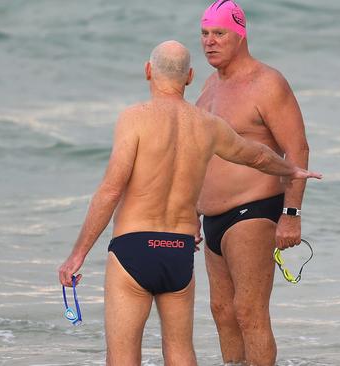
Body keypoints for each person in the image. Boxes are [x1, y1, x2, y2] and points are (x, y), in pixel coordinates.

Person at [57, 40, 321, 366]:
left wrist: (76, 256)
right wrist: (293, 169)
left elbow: (110, 191)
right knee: (181, 352)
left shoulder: (134, 118)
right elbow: (256, 156)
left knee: (123, 357)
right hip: (178, 251)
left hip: (133, 248)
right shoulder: (208, 125)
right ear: (190, 77)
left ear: (148, 71)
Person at [197, 1, 311, 364]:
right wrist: (187, 212)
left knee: (249, 313)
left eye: (219, 34)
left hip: (254, 210)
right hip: (211, 217)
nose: (209, 42)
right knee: (222, 311)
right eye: (204, 34)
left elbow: (297, 149)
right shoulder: (210, 85)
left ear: (240, 35)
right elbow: (197, 155)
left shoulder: (267, 83)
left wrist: (291, 213)